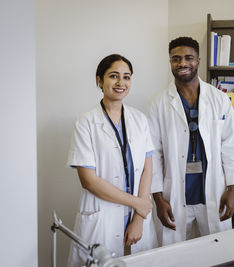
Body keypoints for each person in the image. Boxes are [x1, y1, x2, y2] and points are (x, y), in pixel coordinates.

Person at [148, 37, 234, 246]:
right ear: (170, 62)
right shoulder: (158, 103)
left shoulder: (219, 99)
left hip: (213, 192)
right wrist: (158, 199)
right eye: (176, 59)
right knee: (175, 256)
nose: (182, 63)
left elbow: (233, 146)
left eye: (188, 58)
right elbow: (153, 154)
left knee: (218, 252)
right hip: (174, 195)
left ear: (198, 61)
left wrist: (232, 190)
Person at [67, 54, 157, 266]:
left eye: (126, 77)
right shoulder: (86, 122)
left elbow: (147, 167)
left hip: (136, 215)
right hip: (103, 218)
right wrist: (139, 204)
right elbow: (89, 180)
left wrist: (139, 217)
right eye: (113, 76)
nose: (121, 83)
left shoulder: (139, 119)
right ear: (100, 80)